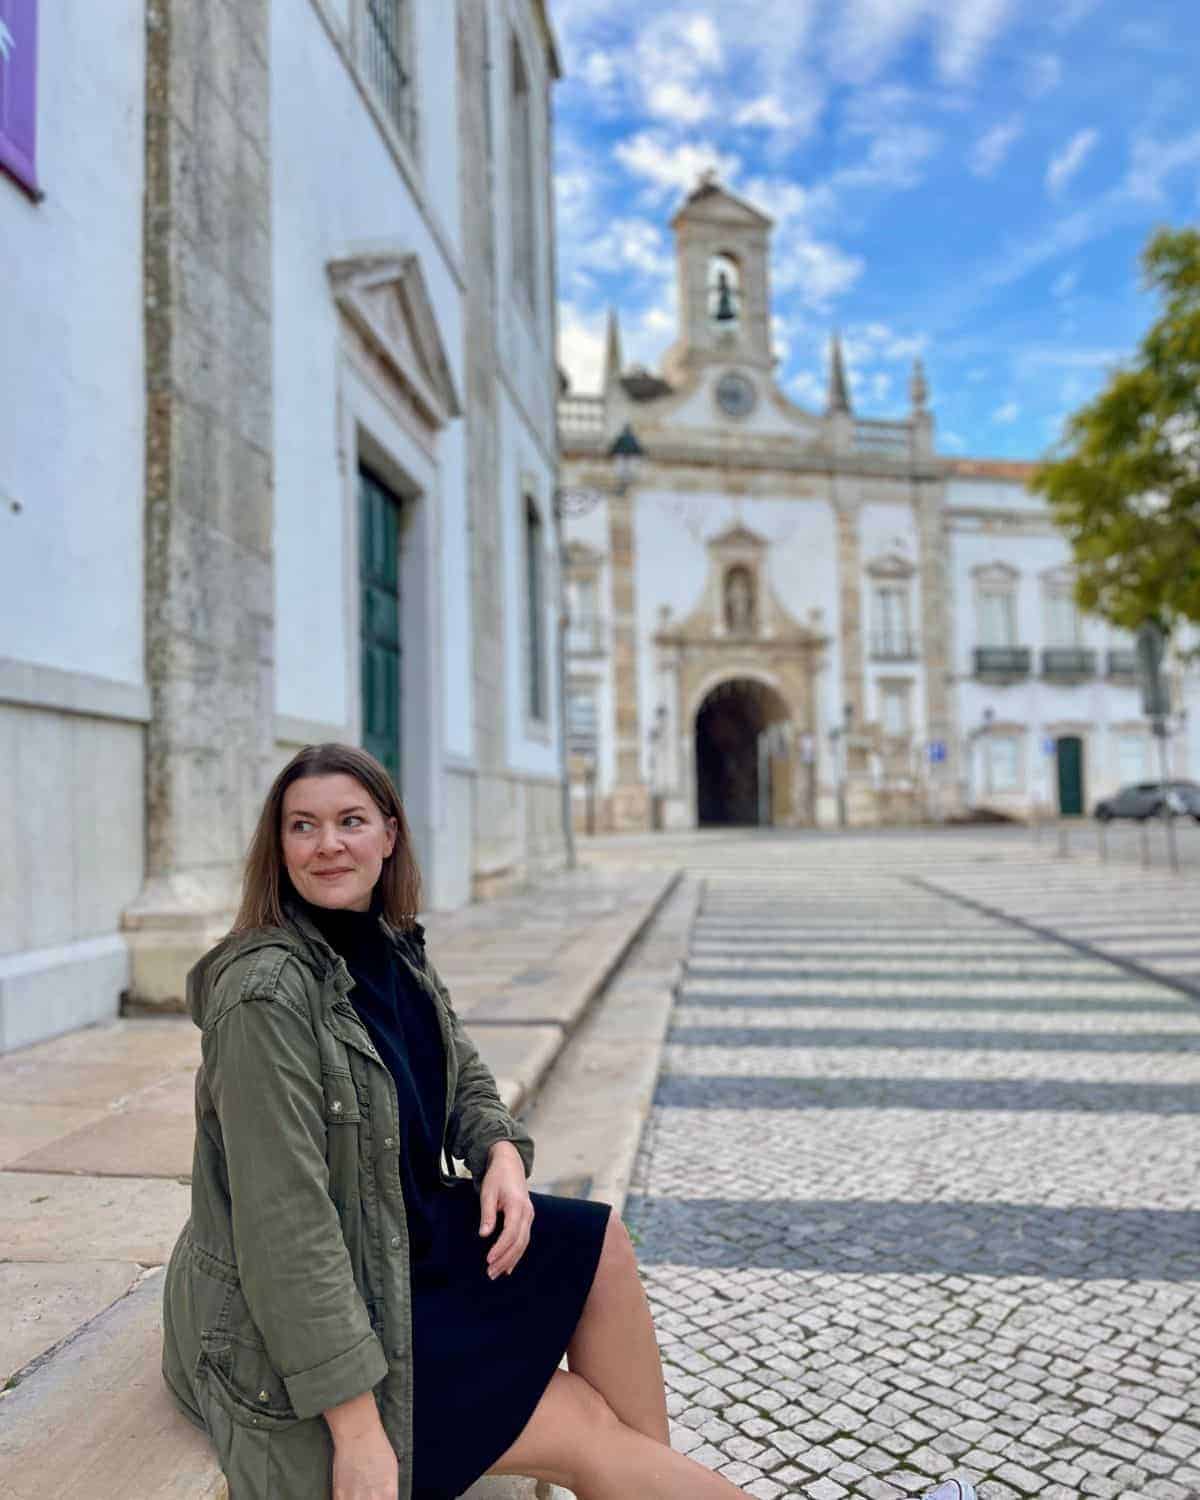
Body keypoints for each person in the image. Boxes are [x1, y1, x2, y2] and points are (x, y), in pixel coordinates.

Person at [162, 742, 977, 1500]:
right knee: (580, 1423)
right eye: (302, 827)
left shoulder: (385, 944)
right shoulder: (265, 997)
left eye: (350, 822)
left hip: (397, 1246)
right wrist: (357, 1427)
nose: (327, 845)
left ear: (389, 835)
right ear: (279, 847)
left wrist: (501, 1156)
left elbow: (464, 1080)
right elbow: (285, 1229)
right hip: (299, 1333)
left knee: (601, 1244)